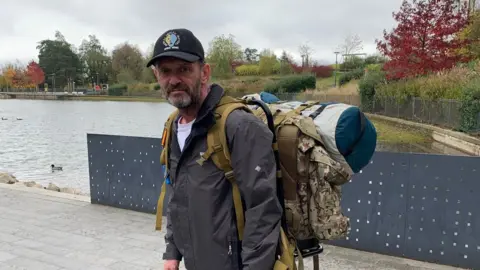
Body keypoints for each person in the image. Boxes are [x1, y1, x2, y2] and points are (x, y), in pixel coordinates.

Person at [146, 28, 283, 270]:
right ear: (157, 76)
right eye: (165, 71)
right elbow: (178, 195)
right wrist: (173, 251)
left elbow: (264, 211)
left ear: (205, 72)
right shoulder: (173, 126)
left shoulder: (239, 126)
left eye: (184, 69)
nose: (174, 80)